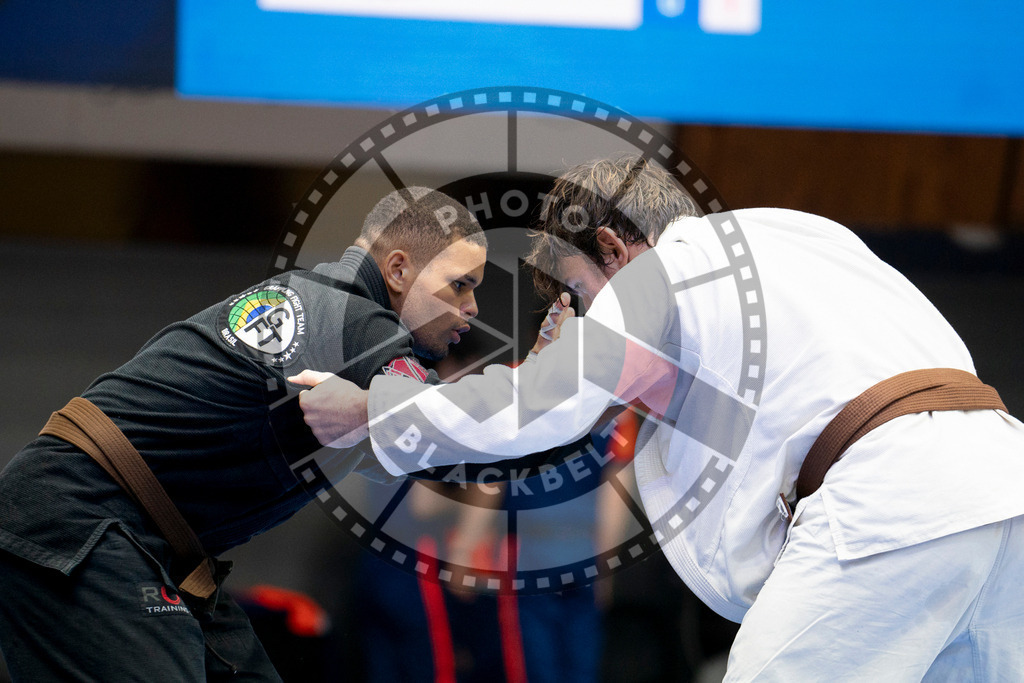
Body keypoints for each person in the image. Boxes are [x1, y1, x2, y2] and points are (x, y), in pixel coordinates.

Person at [291, 155, 1024, 680]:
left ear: (614, 247)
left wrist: (370, 407)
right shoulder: (800, 237)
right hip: (1002, 486)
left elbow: (537, 404)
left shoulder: (659, 271)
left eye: (582, 289)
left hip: (891, 501)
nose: (588, 316)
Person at [0, 187, 490, 680]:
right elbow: (459, 426)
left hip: (146, 541)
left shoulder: (325, 311)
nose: (471, 307)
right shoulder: (355, 323)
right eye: (460, 284)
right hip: (78, 513)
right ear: (399, 269)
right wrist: (559, 379)